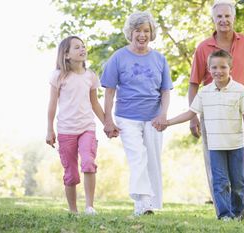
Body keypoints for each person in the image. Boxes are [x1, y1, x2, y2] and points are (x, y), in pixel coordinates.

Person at [159, 50, 244, 220]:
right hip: (215, 146)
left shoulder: (239, 90)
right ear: (209, 69)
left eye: (223, 67)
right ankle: (225, 215)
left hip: (236, 145)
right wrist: (168, 122)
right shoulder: (204, 92)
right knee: (220, 182)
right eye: (214, 67)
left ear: (230, 68)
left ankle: (240, 213)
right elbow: (190, 114)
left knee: (239, 183)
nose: (219, 71)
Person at [188, 0, 244, 219]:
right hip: (213, 117)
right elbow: (193, 83)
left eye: (227, 16)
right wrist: (193, 118)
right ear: (213, 19)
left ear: (234, 18)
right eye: (219, 16)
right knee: (216, 169)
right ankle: (224, 213)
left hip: (240, 114)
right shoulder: (203, 48)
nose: (223, 20)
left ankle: (243, 211)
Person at [101, 11, 173, 216]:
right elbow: (109, 91)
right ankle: (142, 204)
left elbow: (165, 91)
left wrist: (163, 115)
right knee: (138, 157)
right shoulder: (119, 57)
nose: (142, 35)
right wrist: (108, 119)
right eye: (138, 30)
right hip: (126, 117)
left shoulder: (159, 58)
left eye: (146, 30)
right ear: (130, 33)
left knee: (152, 159)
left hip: (153, 118)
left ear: (151, 33)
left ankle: (149, 202)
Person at [46, 36, 105, 215]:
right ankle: (73, 211)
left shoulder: (91, 76)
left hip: (87, 127)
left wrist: (107, 124)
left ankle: (89, 207)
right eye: (77, 47)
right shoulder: (58, 76)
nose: (82, 49)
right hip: (66, 130)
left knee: (88, 162)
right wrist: (50, 129)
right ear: (66, 55)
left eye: (83, 46)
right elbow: (52, 104)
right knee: (71, 173)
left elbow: (95, 103)